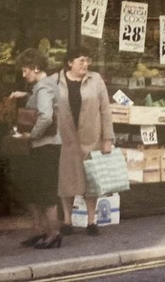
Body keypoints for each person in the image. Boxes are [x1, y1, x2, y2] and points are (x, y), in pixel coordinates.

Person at [54, 46, 114, 236]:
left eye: (87, 60)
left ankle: (91, 221)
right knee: (66, 180)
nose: (85, 64)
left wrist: (107, 138)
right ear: (69, 62)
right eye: (81, 60)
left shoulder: (96, 80)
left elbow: (105, 110)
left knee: (91, 182)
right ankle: (67, 220)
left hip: (91, 138)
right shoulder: (56, 80)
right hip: (66, 138)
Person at [9, 48, 63, 249]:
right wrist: (25, 94)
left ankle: (53, 233)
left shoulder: (43, 87)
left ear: (36, 68)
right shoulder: (46, 84)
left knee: (45, 192)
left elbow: (46, 116)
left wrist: (31, 136)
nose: (24, 75)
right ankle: (41, 231)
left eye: (26, 70)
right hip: (47, 145)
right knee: (35, 191)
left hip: (44, 145)